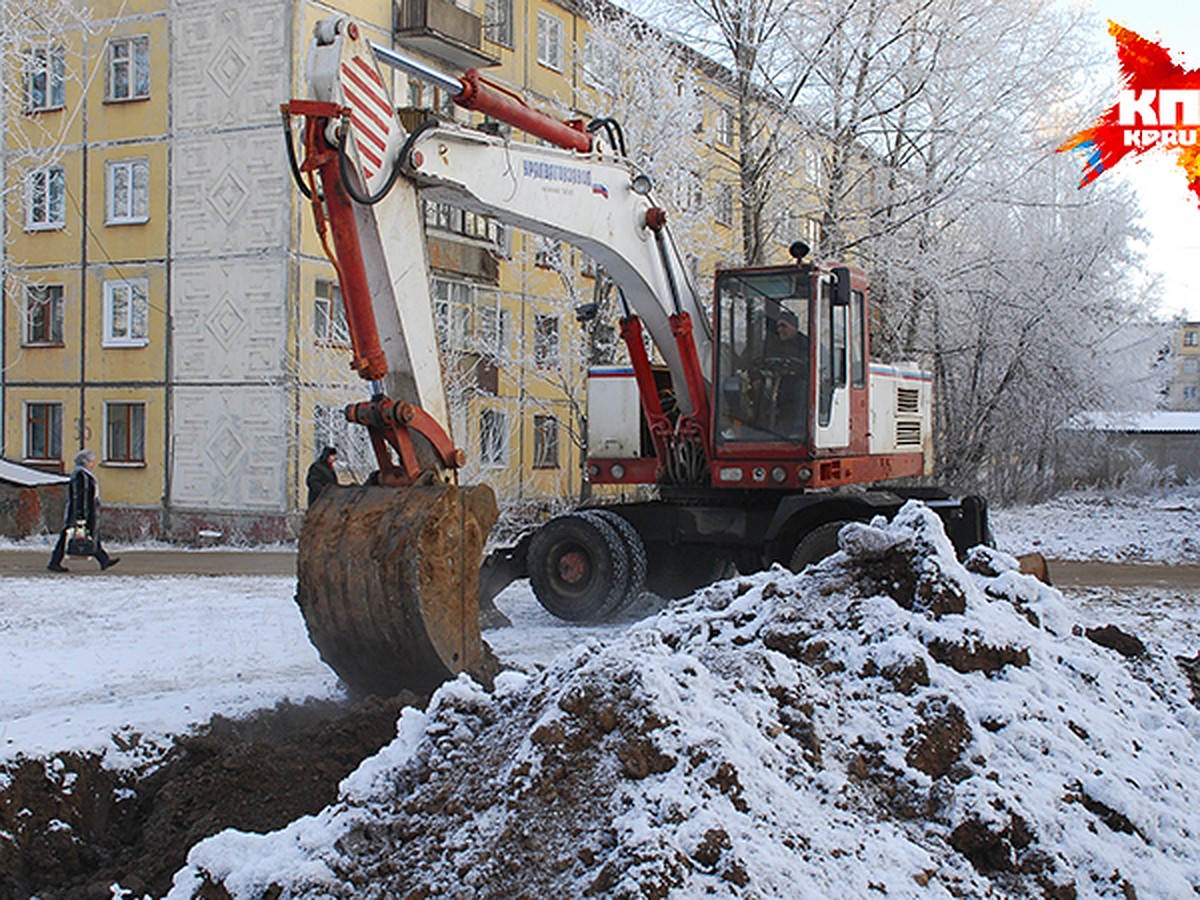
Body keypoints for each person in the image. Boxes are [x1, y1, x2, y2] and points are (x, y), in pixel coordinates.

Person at [48, 449, 119, 572]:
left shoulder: (84, 475)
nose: (93, 464)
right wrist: (81, 516)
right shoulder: (81, 476)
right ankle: (55, 562)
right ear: (85, 462)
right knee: (69, 536)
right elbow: (81, 496)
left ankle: (104, 560)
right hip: (81, 513)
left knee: (90, 535)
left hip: (83, 511)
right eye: (91, 461)